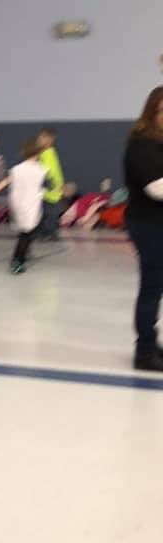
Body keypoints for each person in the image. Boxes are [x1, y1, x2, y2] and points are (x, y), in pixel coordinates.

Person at [123, 86, 163, 372]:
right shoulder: (143, 145)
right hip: (149, 225)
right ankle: (144, 352)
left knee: (156, 287)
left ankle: (153, 343)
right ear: (152, 113)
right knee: (151, 288)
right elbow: (157, 188)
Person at [8, 140, 48, 275]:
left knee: (24, 233)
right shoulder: (41, 169)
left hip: (17, 204)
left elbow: (10, 184)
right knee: (26, 235)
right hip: (31, 205)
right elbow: (48, 184)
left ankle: (18, 258)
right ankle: (18, 261)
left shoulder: (15, 169)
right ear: (38, 153)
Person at [37, 128, 64, 242]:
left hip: (50, 190)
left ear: (49, 140)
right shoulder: (49, 153)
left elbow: (50, 171)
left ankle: (48, 233)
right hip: (52, 189)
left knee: (49, 213)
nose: (38, 140)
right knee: (49, 213)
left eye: (41, 138)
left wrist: (51, 184)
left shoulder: (46, 154)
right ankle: (51, 232)